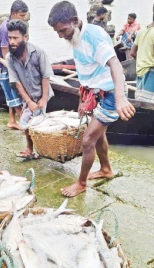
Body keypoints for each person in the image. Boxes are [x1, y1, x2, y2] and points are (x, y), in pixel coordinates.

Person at [48, 1, 135, 197]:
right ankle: (106, 169)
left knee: (87, 141)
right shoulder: (76, 36)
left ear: (73, 20)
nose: (61, 35)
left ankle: (81, 183)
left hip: (112, 94)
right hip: (96, 92)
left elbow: (116, 65)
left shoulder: (93, 36)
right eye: (57, 33)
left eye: (63, 30)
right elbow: (84, 69)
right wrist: (82, 99)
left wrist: (121, 98)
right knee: (98, 135)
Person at [6, 19, 54, 159]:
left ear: (25, 37)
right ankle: (30, 148)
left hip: (42, 94)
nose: (12, 42)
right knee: (25, 123)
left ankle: (39, 149)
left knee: (39, 124)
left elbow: (46, 76)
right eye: (10, 38)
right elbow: (16, 82)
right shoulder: (10, 58)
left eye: (16, 38)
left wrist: (43, 99)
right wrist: (29, 101)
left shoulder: (39, 53)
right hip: (27, 95)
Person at [0, 0, 29, 130]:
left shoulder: (16, 27)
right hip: (7, 66)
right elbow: (5, 54)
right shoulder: (6, 29)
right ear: (13, 13)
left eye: (25, 16)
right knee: (15, 95)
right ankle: (23, 122)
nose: (24, 19)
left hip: (12, 63)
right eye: (21, 16)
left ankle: (11, 120)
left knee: (9, 93)